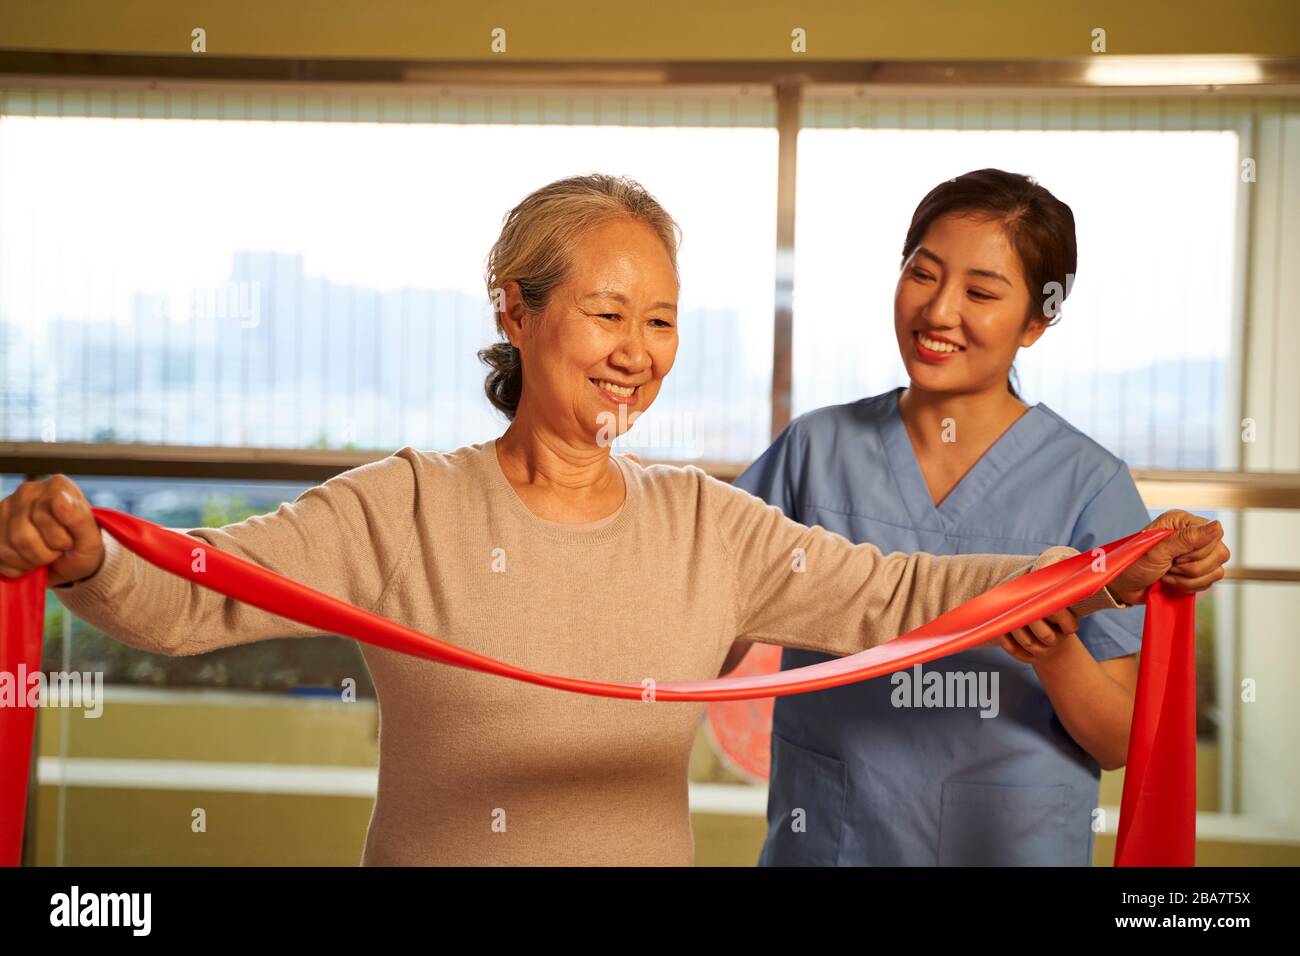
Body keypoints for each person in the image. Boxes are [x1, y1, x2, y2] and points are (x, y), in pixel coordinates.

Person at [0, 173, 1227, 866]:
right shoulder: (400, 503)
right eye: (607, 313)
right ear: (516, 311)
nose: (638, 354)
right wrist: (89, 550)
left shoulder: (707, 522)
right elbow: (196, 594)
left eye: (663, 321)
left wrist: (1106, 572)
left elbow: (895, 592)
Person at [731, 168, 1224, 866]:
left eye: (981, 292)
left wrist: (1054, 650)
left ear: (1036, 322)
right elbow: (708, 614)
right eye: (923, 274)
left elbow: (1119, 742)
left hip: (1009, 844)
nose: (938, 312)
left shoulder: (1088, 483)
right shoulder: (814, 450)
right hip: (835, 838)